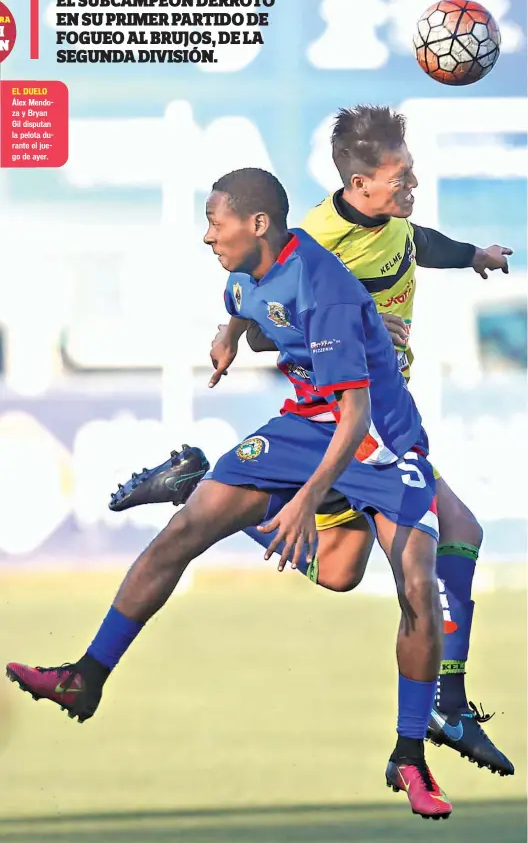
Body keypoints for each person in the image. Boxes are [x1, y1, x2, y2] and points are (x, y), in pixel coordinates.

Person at [8, 168, 451, 820]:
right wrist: (229, 335)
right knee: (185, 532)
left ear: (258, 225)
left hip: (379, 440)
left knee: (390, 583)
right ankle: (86, 677)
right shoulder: (242, 272)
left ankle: (409, 755)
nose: (208, 236)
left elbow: (355, 416)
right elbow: (248, 308)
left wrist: (304, 502)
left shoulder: (324, 287)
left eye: (217, 223)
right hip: (306, 424)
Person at [107, 107, 514, 777]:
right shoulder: (319, 240)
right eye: (401, 174)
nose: (411, 182)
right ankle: (446, 706)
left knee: (338, 572)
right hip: (346, 424)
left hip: (381, 419)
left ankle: (193, 488)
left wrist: (471, 255)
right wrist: (260, 331)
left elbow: (416, 243)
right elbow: (268, 305)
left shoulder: (388, 225)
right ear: (358, 187)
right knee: (458, 530)